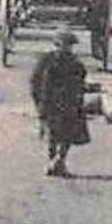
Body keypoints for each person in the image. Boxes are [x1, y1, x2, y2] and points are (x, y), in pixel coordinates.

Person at [30, 29, 89, 177]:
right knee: (52, 134)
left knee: (67, 135)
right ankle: (52, 161)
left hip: (69, 104)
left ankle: (60, 161)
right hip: (50, 103)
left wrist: (79, 98)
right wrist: (39, 102)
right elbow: (35, 82)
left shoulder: (75, 63)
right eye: (63, 45)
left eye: (69, 45)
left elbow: (80, 83)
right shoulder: (46, 61)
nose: (66, 48)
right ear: (56, 45)